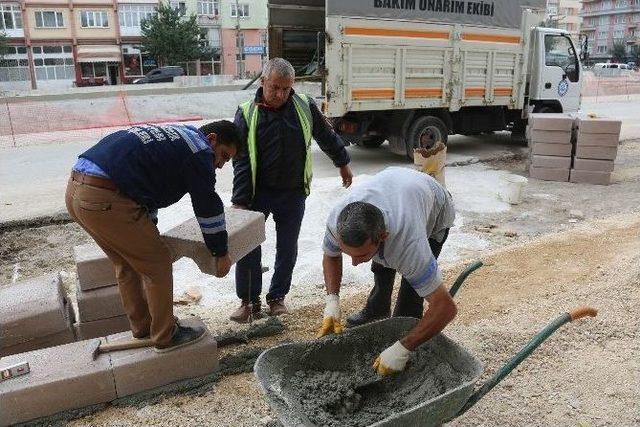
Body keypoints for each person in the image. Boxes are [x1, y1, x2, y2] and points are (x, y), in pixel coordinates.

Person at [65, 121, 241, 352]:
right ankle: (166, 336)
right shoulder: (199, 151)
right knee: (158, 263)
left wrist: (149, 233)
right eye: (223, 156)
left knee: (127, 263)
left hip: (77, 192)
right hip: (106, 196)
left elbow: (147, 189)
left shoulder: (177, 136)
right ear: (212, 139)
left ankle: (144, 328)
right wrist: (220, 252)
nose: (219, 165)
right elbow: (207, 205)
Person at [230, 57, 353, 322]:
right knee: (248, 246)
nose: (280, 94)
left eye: (286, 88)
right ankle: (248, 302)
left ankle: (277, 298)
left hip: (292, 192)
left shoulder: (304, 106)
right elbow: (240, 158)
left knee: (288, 247)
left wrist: (342, 163)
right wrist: (240, 201)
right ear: (263, 82)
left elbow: (327, 136)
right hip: (256, 193)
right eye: (275, 87)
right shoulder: (246, 111)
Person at [317, 167, 457, 375]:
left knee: (411, 293)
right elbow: (331, 255)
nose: (354, 263)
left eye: (361, 255)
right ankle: (378, 309)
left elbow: (446, 308)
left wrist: (403, 347)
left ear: (384, 236)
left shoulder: (410, 246)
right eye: (350, 255)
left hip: (434, 206)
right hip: (394, 185)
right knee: (381, 267)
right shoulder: (337, 221)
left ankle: (405, 343)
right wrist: (332, 301)